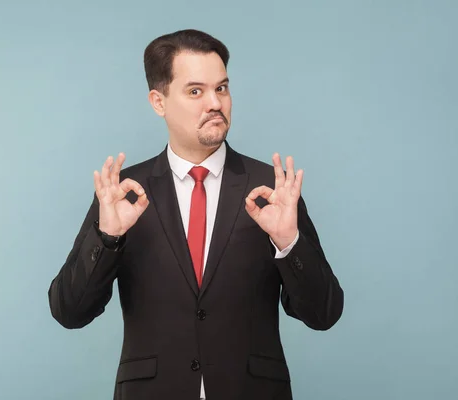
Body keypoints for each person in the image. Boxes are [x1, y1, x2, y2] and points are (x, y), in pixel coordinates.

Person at [48, 29, 344, 400]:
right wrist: (108, 237)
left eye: (221, 88)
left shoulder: (272, 189)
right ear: (159, 101)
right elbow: (69, 311)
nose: (215, 103)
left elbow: (325, 313)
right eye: (195, 91)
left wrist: (289, 243)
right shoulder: (123, 193)